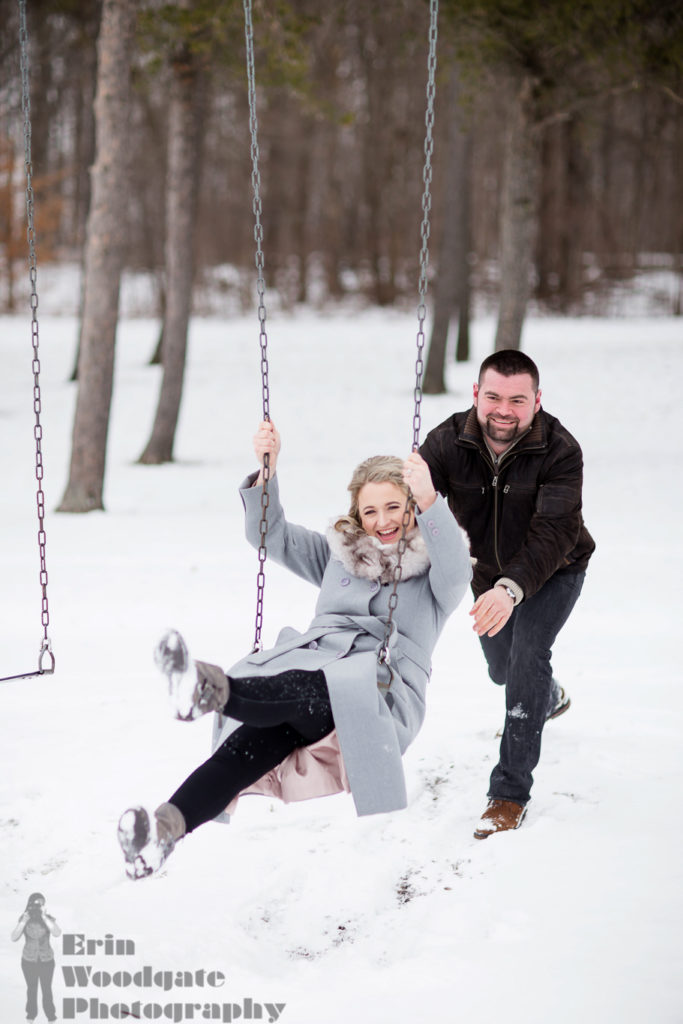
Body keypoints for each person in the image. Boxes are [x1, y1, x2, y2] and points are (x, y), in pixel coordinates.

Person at [118, 421, 472, 879]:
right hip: (301, 688)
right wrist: (268, 471)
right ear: (357, 516)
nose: (382, 521)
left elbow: (459, 572)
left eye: (393, 507)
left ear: (411, 506)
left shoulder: (435, 575)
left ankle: (212, 691)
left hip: (377, 696)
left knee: (310, 687)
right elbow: (273, 536)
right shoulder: (340, 556)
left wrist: (430, 500)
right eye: (370, 512)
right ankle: (163, 834)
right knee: (242, 753)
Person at [420, 349, 595, 839]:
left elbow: (554, 532)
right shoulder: (446, 441)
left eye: (517, 400)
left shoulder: (561, 450)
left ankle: (509, 793)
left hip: (554, 569)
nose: (503, 409)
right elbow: (408, 503)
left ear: (537, 401)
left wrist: (510, 588)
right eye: (493, 396)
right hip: (484, 576)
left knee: (525, 658)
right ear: (476, 395)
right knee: (503, 669)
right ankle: (548, 695)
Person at [11, 892, 61, 1023]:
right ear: (29, 904)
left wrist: (44, 917)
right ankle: (30, 1017)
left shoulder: (47, 918)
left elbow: (57, 933)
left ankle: (51, 1017)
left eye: (42, 904)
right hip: (28, 961)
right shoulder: (24, 918)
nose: (39, 906)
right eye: (37, 903)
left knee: (46, 990)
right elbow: (14, 937)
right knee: (31, 990)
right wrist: (24, 921)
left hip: (47, 961)